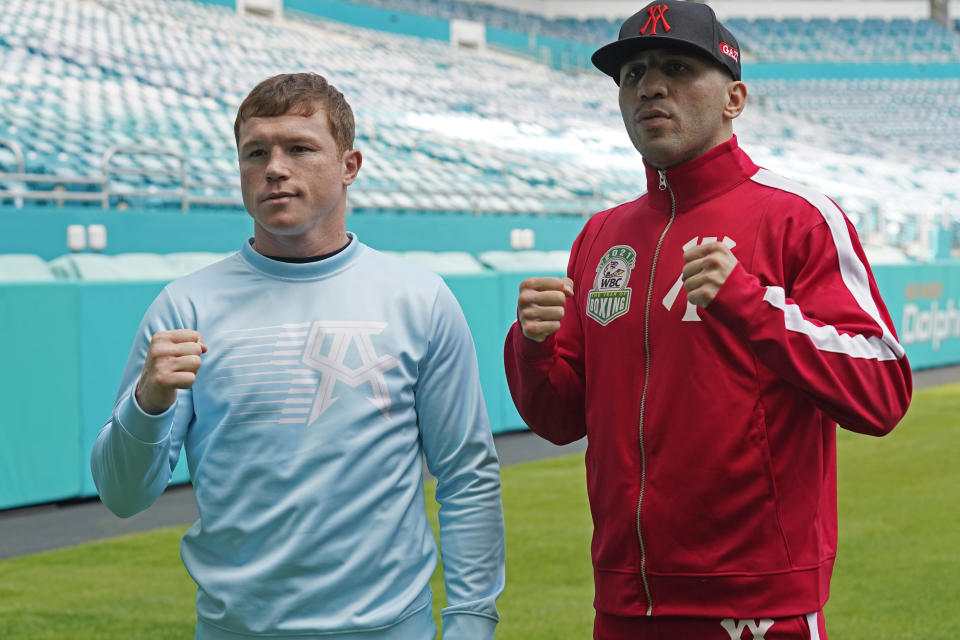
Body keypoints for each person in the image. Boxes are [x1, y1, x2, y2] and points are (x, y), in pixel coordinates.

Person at [503, 2, 912, 639]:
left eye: (677, 67)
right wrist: (533, 349)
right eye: (633, 73)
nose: (651, 86)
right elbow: (557, 421)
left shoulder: (797, 217)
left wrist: (751, 305)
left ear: (734, 98)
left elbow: (884, 392)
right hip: (621, 599)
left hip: (756, 603)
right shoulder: (602, 235)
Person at [91, 72, 505, 640]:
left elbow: (465, 474)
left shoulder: (420, 299)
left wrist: (472, 620)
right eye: (255, 152)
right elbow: (121, 496)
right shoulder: (184, 306)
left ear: (349, 166)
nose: (274, 168)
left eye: (300, 148)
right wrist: (147, 403)